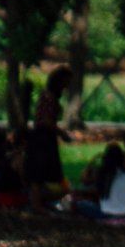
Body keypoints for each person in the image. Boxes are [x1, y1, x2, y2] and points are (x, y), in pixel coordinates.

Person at [25, 66, 71, 206]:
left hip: (46, 138)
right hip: (42, 139)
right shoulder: (48, 97)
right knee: (39, 173)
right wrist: (61, 133)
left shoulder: (50, 96)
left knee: (45, 174)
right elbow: (45, 121)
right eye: (67, 81)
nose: (68, 85)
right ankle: (37, 204)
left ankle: (41, 202)